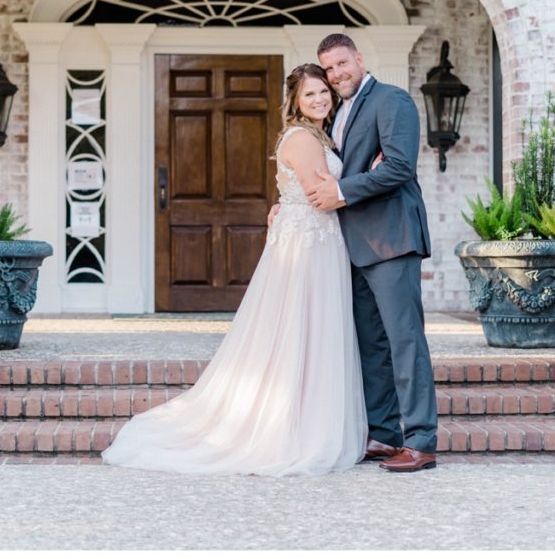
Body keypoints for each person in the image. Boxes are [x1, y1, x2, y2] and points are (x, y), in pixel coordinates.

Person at [101, 64, 368, 476]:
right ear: (295, 102)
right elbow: (321, 194)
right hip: (309, 242)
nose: (319, 99)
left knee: (309, 328)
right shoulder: (302, 138)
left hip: (314, 238)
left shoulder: (318, 135)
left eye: (323, 92)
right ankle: (296, 428)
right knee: (302, 327)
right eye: (309, 94)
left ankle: (306, 417)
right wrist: (373, 176)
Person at [304, 33, 437, 473]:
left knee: (405, 341)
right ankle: (383, 434)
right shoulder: (336, 113)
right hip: (354, 244)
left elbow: (399, 166)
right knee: (372, 345)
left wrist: (343, 190)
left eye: (342, 63)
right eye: (329, 68)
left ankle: (421, 441)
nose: (336, 74)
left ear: (359, 59)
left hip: (392, 239)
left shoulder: (391, 100)